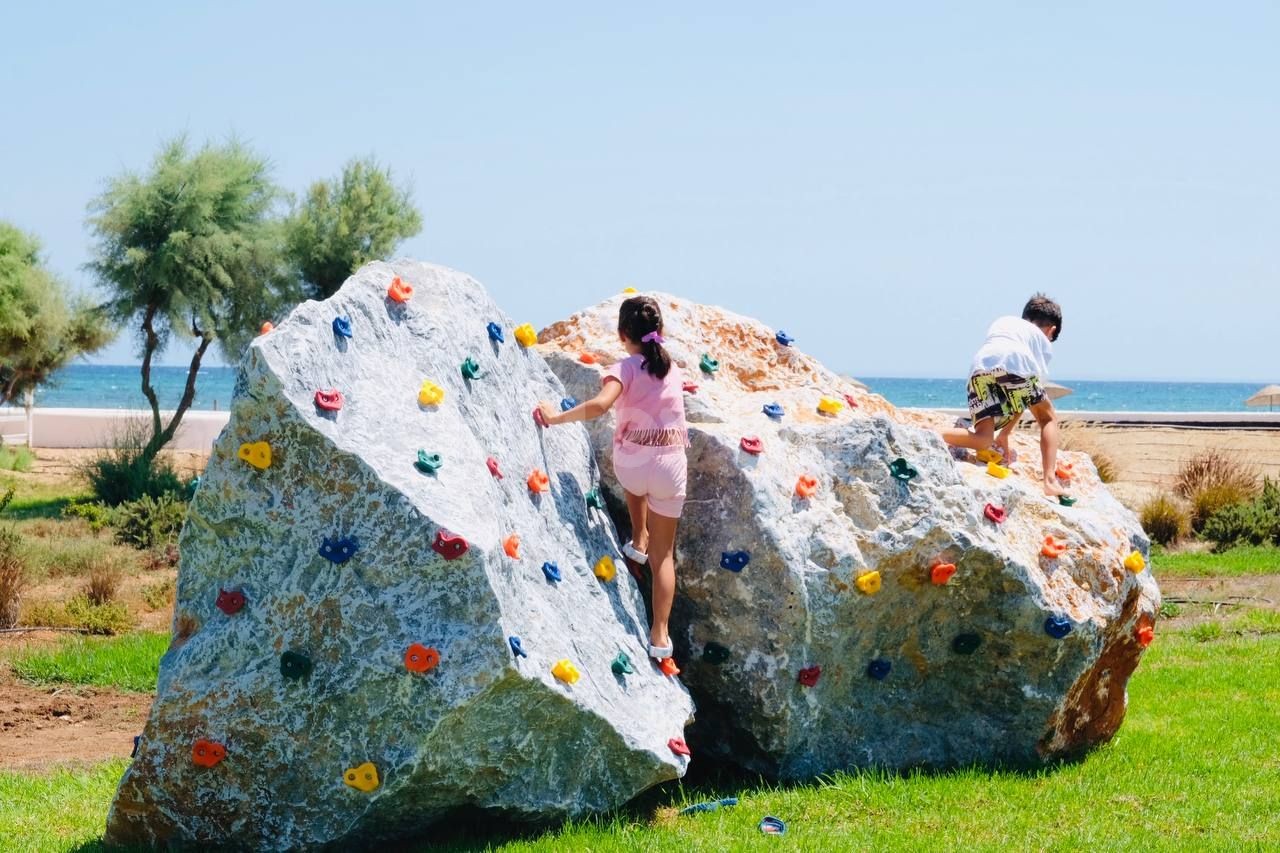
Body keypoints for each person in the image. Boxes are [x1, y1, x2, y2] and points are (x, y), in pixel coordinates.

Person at [537, 296, 688, 660]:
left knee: (635, 478)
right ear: (660, 332)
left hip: (632, 468)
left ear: (623, 335)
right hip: (670, 469)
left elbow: (602, 406)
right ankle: (660, 635)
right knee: (663, 557)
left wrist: (555, 418)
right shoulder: (673, 370)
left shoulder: (623, 369)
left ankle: (637, 537)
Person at [941, 294, 1065, 497]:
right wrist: (1006, 432)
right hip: (1016, 363)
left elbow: (1007, 380)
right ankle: (1050, 481)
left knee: (983, 439)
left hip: (979, 367)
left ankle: (934, 433)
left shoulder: (1004, 322)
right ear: (1051, 331)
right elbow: (1026, 395)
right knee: (1047, 417)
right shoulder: (1042, 341)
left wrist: (1003, 435)